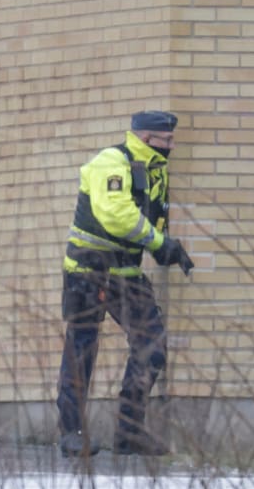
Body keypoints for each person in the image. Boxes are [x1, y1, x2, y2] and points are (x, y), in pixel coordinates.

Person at [56, 110, 194, 458]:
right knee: (82, 349)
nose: (172, 146)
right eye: (167, 140)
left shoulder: (154, 172)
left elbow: (150, 219)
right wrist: (160, 243)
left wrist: (167, 248)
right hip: (89, 271)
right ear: (147, 138)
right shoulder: (111, 161)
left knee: (152, 346)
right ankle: (71, 434)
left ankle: (129, 433)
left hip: (127, 274)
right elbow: (116, 215)